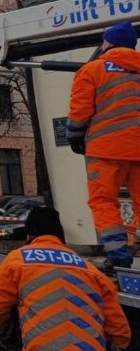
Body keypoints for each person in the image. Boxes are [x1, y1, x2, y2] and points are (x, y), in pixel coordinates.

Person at [0, 206, 130, 351]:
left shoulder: (16, 261)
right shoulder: (90, 269)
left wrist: (5, 336)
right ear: (60, 235)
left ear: (29, 235)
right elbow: (119, 330)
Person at [66, 21, 140, 271]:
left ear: (108, 43)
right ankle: (132, 243)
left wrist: (74, 136)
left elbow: (80, 110)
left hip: (105, 150)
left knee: (104, 201)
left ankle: (119, 256)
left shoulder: (92, 70)